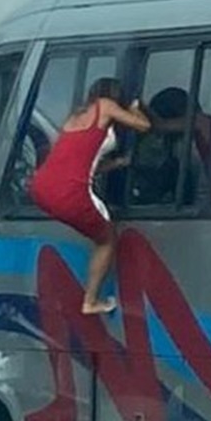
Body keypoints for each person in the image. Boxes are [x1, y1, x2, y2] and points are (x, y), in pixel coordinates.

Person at [28, 78, 150, 315]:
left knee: (98, 232)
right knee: (107, 239)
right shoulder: (105, 105)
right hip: (70, 192)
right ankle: (91, 301)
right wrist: (134, 108)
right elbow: (143, 126)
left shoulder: (74, 117)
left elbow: (81, 162)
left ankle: (90, 298)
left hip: (42, 186)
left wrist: (116, 164)